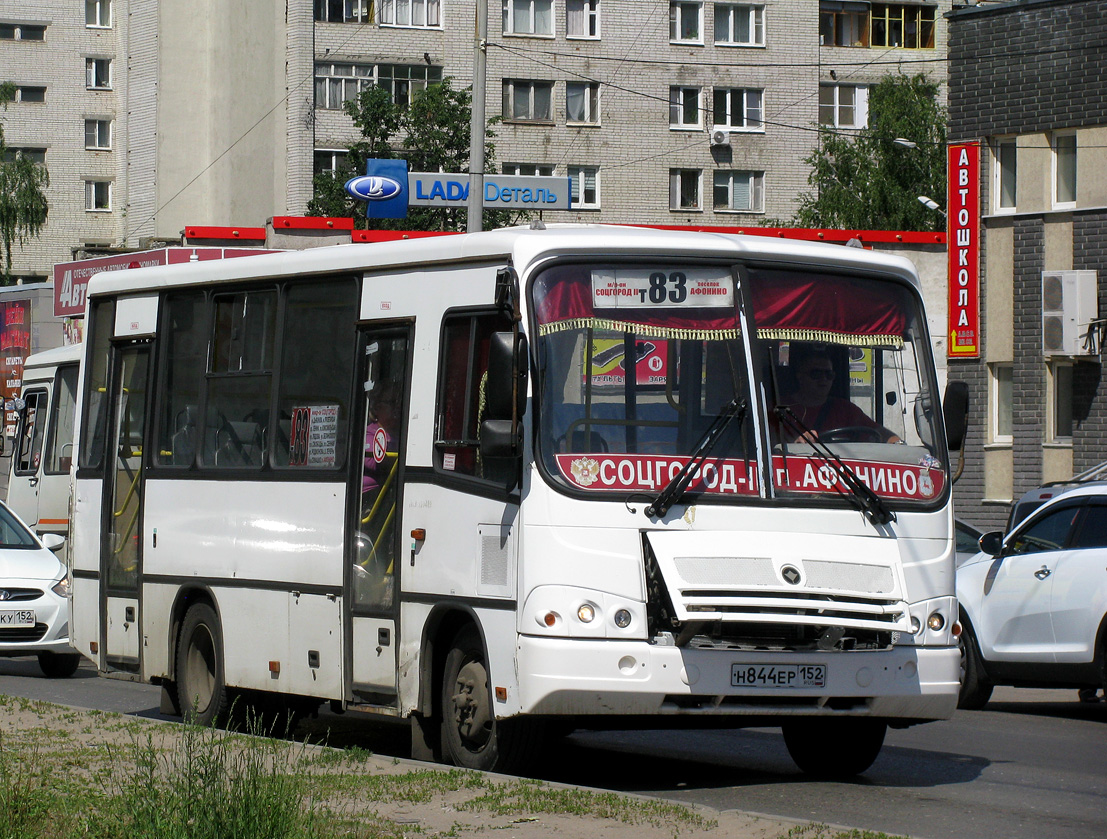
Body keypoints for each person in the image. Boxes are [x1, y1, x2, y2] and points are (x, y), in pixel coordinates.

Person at [778, 345, 900, 444]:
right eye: (816, 374)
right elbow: (770, 447)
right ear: (800, 377)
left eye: (829, 375)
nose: (824, 379)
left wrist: (897, 445)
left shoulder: (846, 409)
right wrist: (796, 444)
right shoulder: (780, 409)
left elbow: (880, 433)